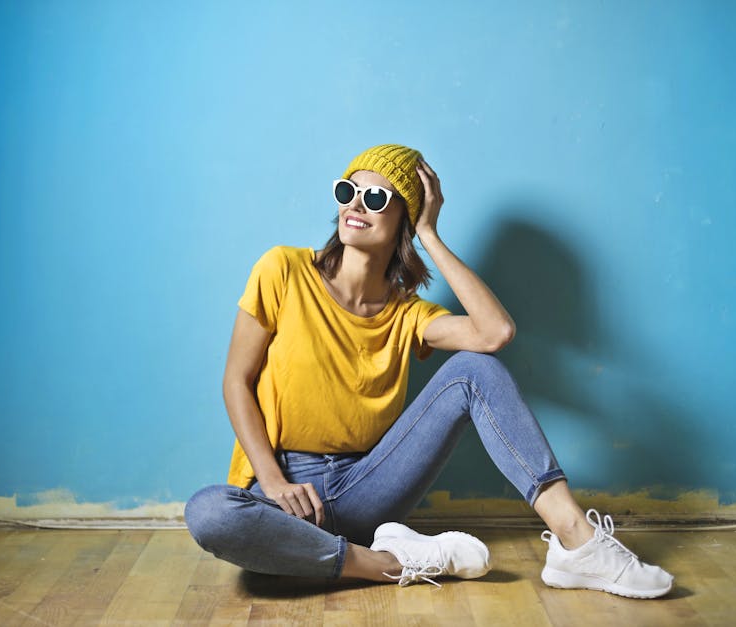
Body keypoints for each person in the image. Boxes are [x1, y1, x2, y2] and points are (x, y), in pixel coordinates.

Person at [185, 144, 673, 598]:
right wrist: (271, 481)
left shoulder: (406, 313)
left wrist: (429, 234)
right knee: (210, 514)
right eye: (347, 191)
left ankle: (576, 542)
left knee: (472, 369)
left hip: (367, 485)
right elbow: (237, 381)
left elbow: (494, 333)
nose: (355, 204)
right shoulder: (282, 270)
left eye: (375, 196)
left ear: (403, 216)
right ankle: (392, 563)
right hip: (286, 489)